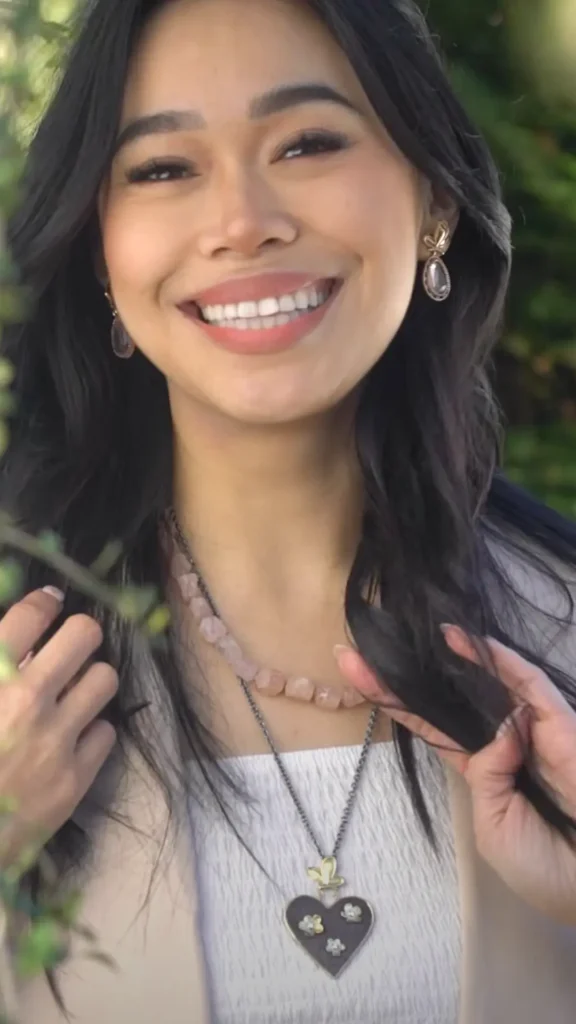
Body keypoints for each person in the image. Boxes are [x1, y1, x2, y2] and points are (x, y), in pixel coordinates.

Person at [1, 0, 575, 1021]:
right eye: (164, 168)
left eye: (308, 142)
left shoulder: (562, 630)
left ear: (434, 200)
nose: (241, 221)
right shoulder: (18, 664)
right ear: (100, 247)